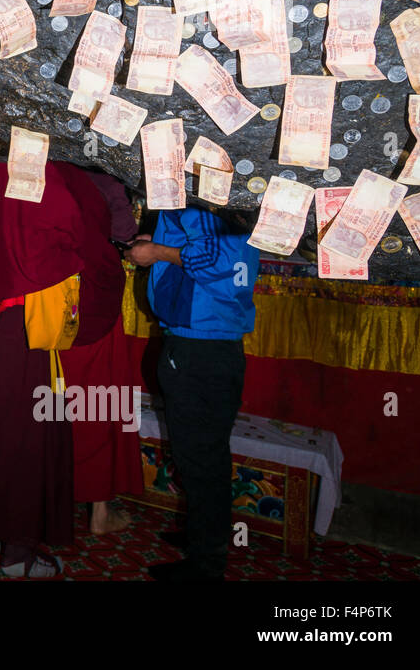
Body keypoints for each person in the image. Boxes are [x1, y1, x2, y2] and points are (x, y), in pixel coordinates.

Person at [0, 159, 89, 577]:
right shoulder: (41, 170)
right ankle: (18, 552)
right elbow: (73, 234)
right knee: (26, 435)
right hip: (21, 320)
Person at [126, 206, 261, 581]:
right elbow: (215, 255)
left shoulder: (200, 209)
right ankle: (203, 536)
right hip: (218, 347)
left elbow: (211, 259)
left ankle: (206, 564)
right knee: (206, 452)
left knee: (200, 457)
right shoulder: (237, 216)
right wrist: (160, 244)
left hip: (197, 349)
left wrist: (156, 254)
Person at [55, 164, 143, 535]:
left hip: (48, 308)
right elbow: (126, 237)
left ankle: (51, 499)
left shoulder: (43, 170)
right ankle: (99, 513)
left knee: (52, 404)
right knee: (100, 403)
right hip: (95, 305)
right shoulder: (105, 181)